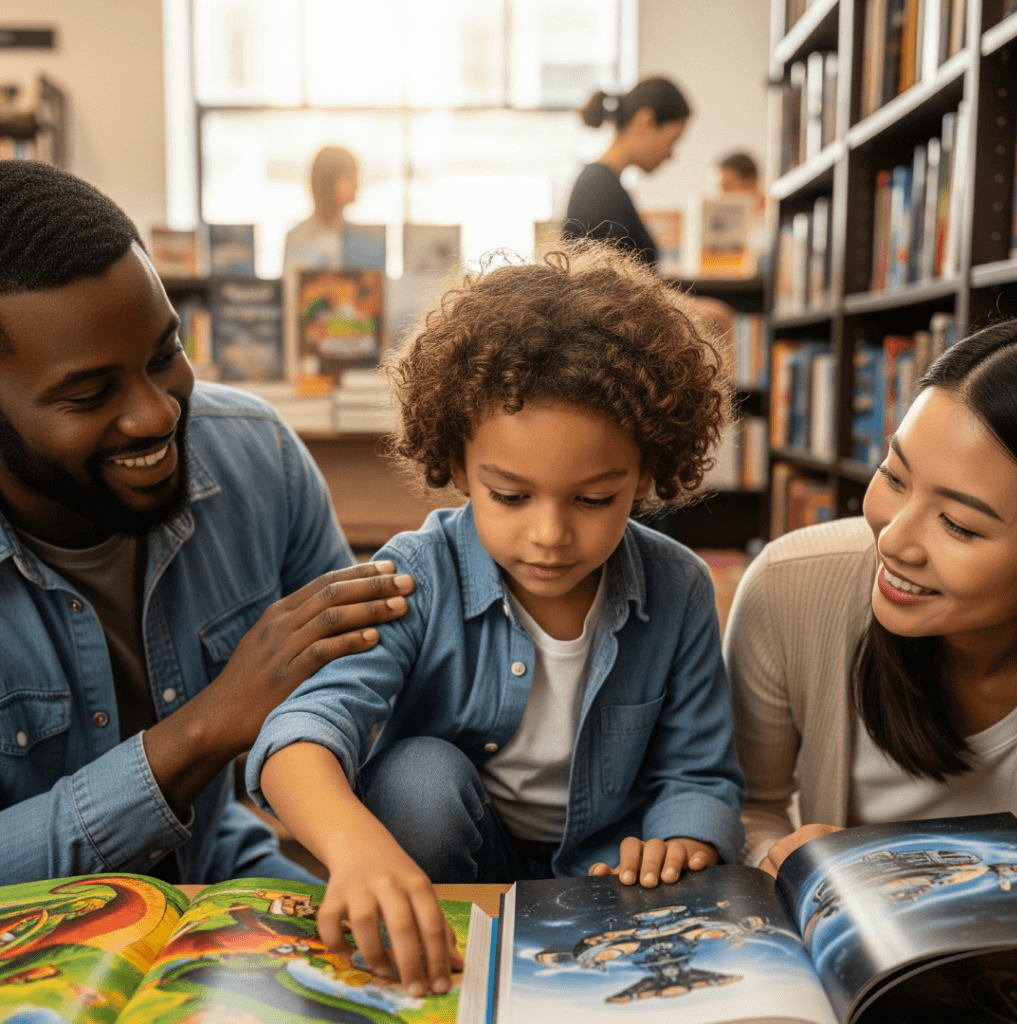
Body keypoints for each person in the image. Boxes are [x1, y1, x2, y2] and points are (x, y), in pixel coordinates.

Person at [246, 242, 747, 997]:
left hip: (609, 875)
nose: (549, 534)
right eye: (511, 496)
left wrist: (680, 840)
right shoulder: (413, 574)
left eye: (592, 499)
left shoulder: (678, 587)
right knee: (417, 776)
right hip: (449, 864)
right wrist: (355, 849)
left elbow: (698, 771)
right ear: (456, 459)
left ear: (646, 472)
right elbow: (302, 731)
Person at [0, 159, 415, 886]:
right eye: (91, 393)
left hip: (221, 879)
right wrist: (200, 732)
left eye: (166, 354)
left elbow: (370, 696)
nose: (158, 411)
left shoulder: (256, 454)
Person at [726, 320, 1017, 877]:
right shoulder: (792, 587)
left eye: (958, 525)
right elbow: (748, 805)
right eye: (893, 476)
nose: (892, 540)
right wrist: (785, 855)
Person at [563, 77, 691, 268]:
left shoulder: (605, 184)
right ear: (645, 121)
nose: (670, 154)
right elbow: (606, 287)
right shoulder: (598, 189)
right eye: (672, 140)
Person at [283, 145, 362, 271]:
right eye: (350, 177)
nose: (357, 184)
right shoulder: (297, 238)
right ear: (330, 182)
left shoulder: (361, 239)